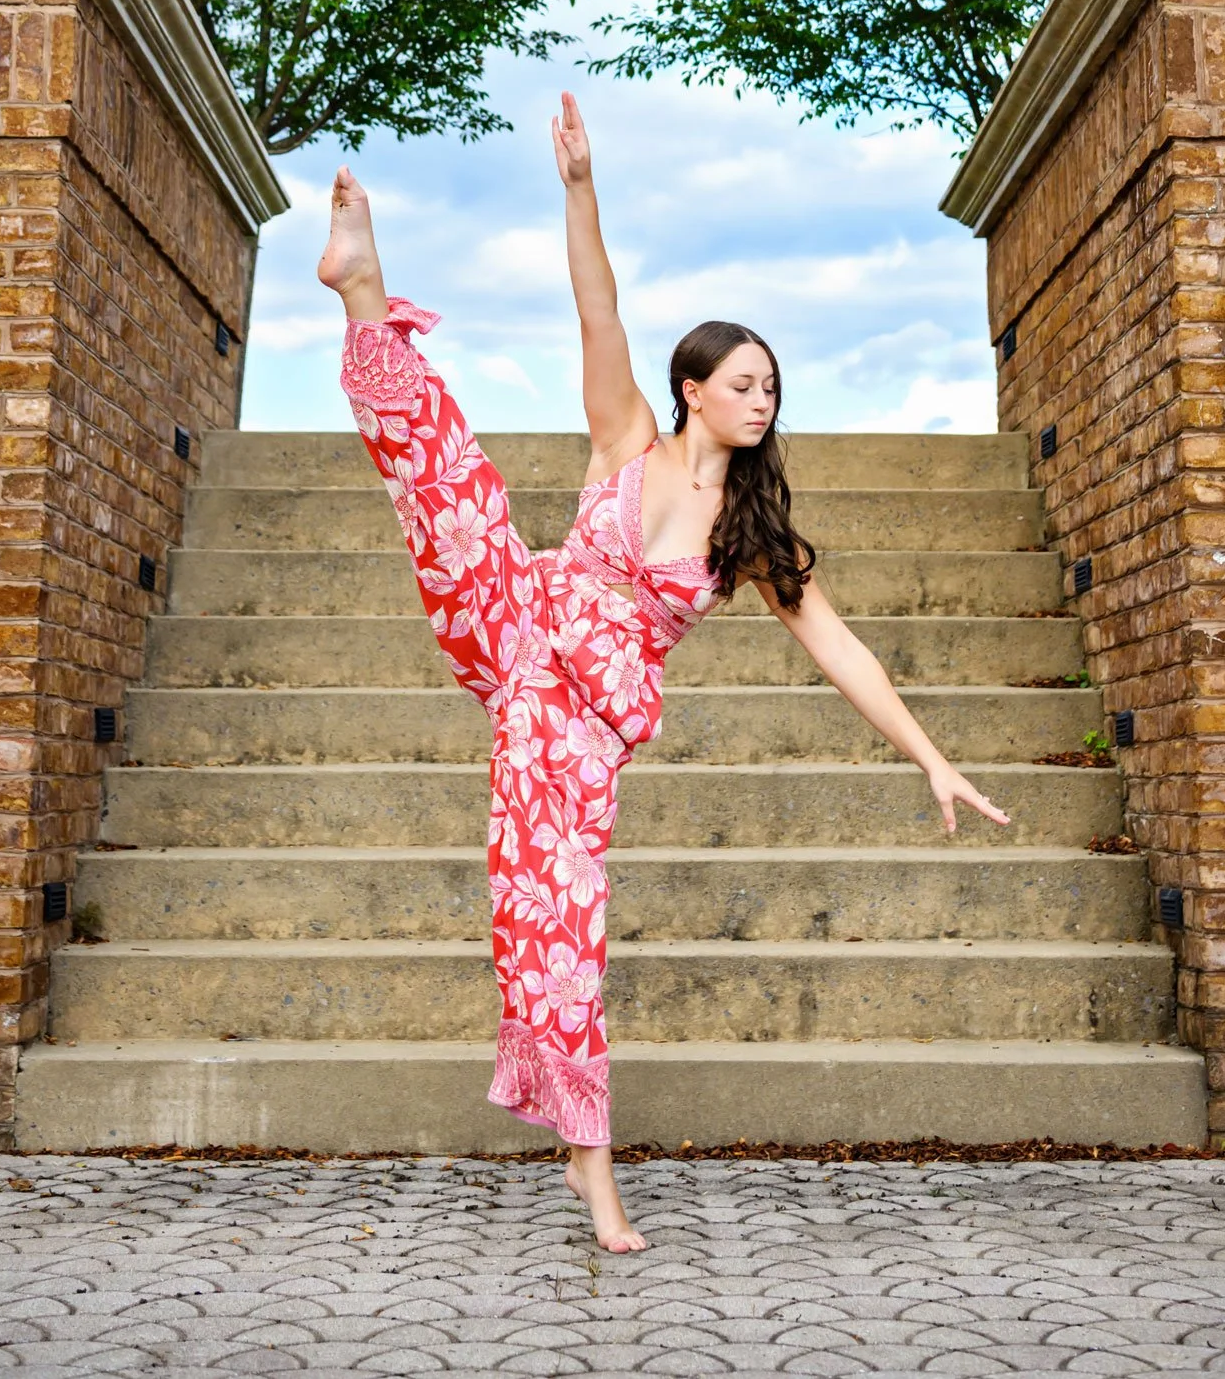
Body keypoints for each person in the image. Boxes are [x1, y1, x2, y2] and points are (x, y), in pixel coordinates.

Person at [318, 90, 1011, 1253]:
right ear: (694, 389)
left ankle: (592, 1176)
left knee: (554, 924)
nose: (761, 398)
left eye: (771, 387)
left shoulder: (748, 535)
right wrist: (580, 188)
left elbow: (841, 647)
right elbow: (600, 305)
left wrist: (932, 757)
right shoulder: (624, 436)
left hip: (574, 729)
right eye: (743, 382)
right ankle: (362, 293)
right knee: (452, 484)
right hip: (515, 616)